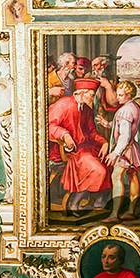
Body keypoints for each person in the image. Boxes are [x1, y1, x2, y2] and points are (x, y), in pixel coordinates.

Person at [48, 78, 111, 213]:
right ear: (82, 93)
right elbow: (49, 126)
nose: (92, 98)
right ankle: (75, 201)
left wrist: (104, 142)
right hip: (68, 151)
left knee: (109, 162)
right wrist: (65, 135)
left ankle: (98, 202)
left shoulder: (86, 110)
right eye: (92, 95)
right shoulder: (63, 105)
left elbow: (92, 131)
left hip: (86, 148)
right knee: (98, 170)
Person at [104, 79, 140, 220]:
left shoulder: (125, 110)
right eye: (118, 94)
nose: (117, 97)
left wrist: (116, 152)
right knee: (133, 177)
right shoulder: (135, 107)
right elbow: (126, 127)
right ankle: (131, 212)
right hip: (133, 148)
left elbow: (125, 134)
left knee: (116, 176)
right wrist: (109, 124)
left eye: (121, 95)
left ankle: (114, 215)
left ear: (129, 95)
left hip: (124, 149)